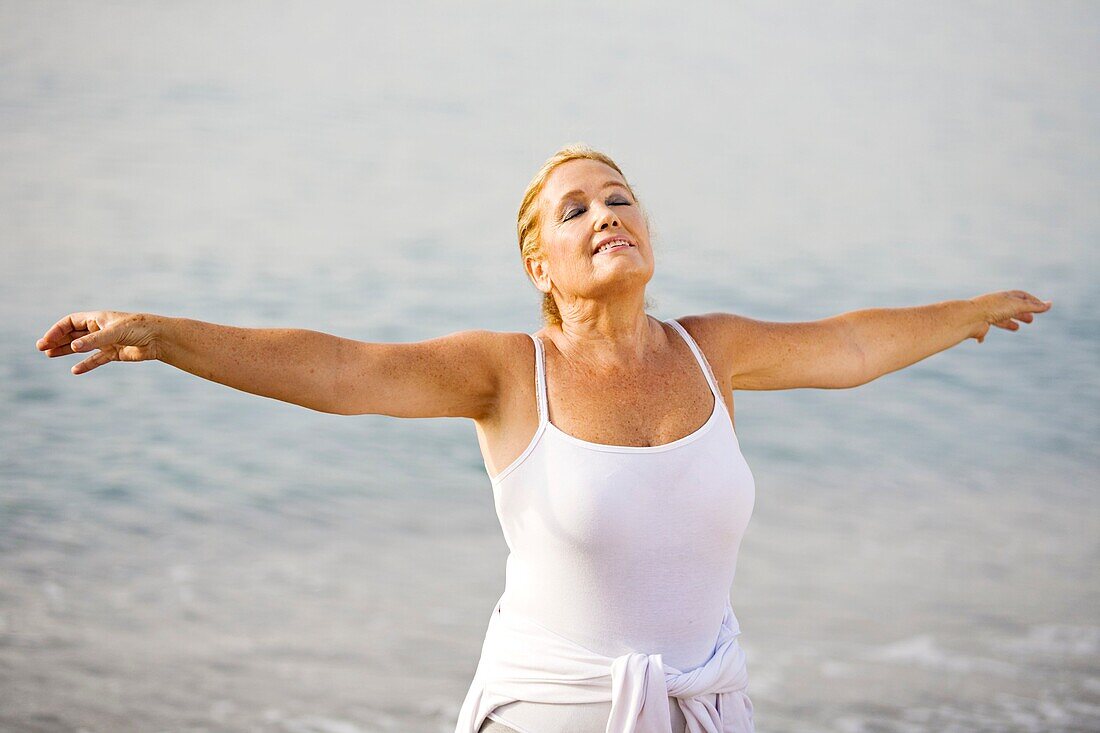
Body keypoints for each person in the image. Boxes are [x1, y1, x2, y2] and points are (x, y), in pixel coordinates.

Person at [36, 144, 1052, 733]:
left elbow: (847, 345)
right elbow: (338, 369)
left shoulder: (714, 351)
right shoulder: (504, 371)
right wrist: (164, 336)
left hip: (704, 708)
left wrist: (966, 311)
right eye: (577, 208)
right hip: (553, 714)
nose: (608, 212)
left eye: (619, 197)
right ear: (539, 261)